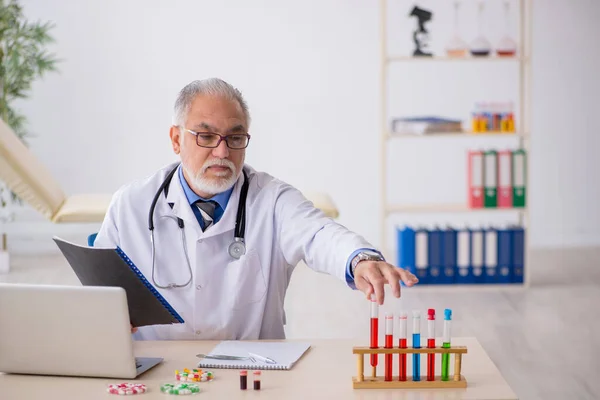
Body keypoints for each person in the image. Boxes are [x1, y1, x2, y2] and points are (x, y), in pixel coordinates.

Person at [94, 78, 419, 340]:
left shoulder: (272, 200)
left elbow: (320, 233)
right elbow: (100, 293)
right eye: (206, 136)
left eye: (235, 138)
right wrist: (109, 317)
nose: (222, 151)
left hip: (253, 372)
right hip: (159, 373)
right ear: (176, 139)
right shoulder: (131, 204)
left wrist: (360, 259)